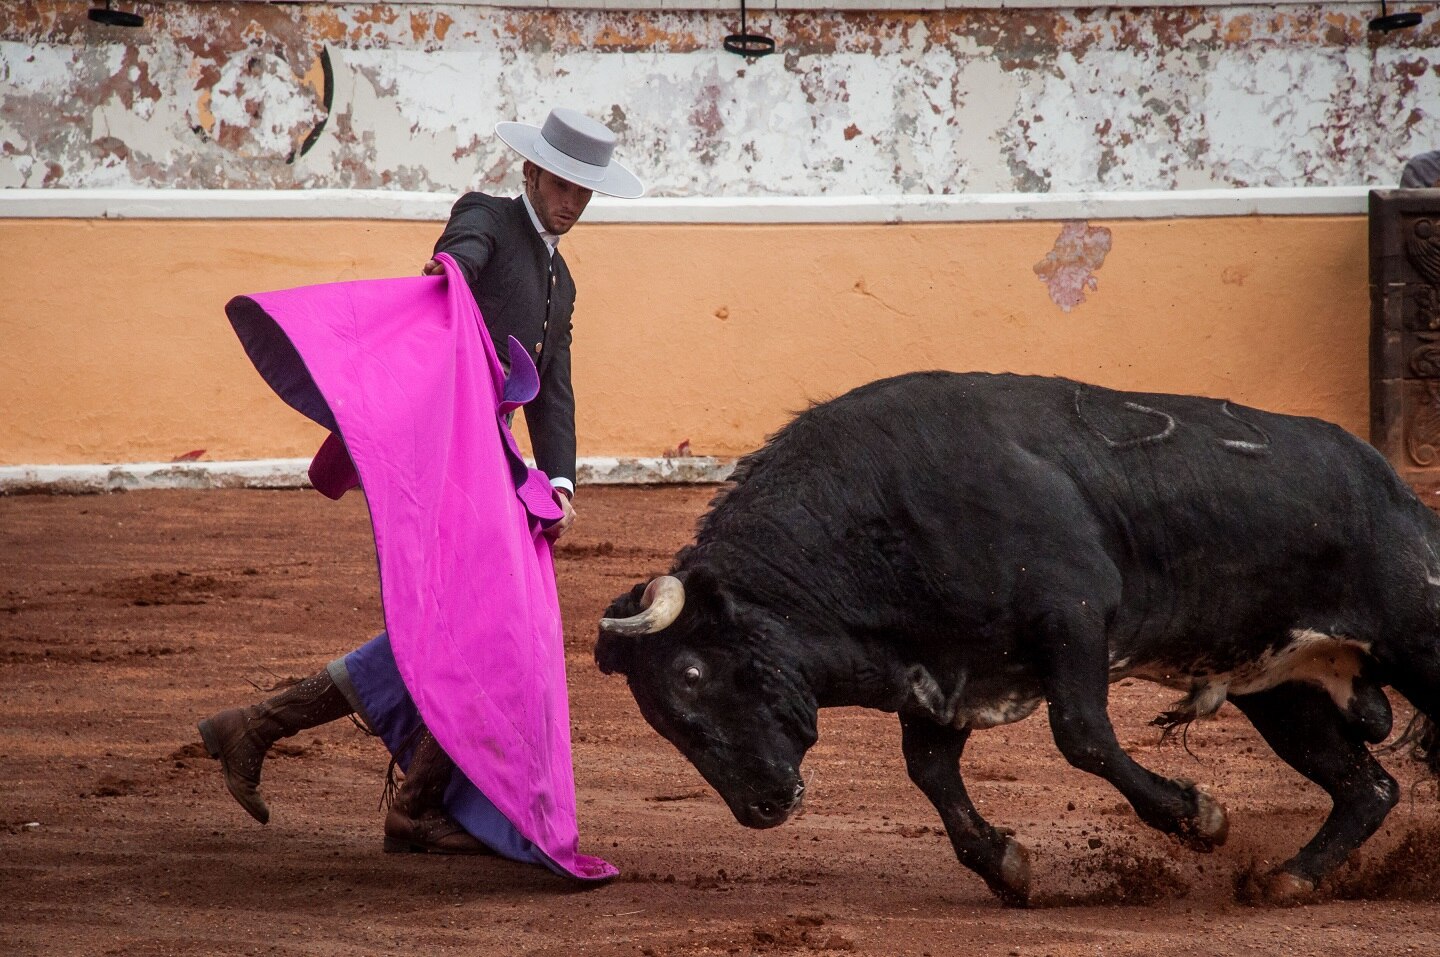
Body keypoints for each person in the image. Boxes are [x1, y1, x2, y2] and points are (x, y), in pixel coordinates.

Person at [198, 107, 644, 861]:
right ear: (532, 171)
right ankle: (405, 799)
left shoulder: (561, 281)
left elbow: (554, 385)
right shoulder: (488, 218)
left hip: (496, 463)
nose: (571, 202)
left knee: (472, 632)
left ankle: (266, 727)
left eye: (584, 191)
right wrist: (453, 275)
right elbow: (459, 257)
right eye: (562, 183)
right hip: (450, 455)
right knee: (491, 634)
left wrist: (559, 477)